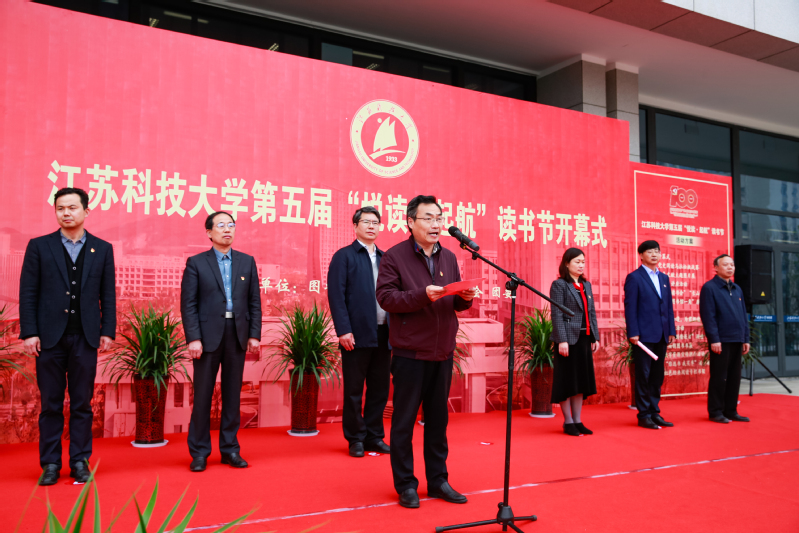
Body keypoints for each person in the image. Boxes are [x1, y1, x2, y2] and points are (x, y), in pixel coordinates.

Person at [376, 195, 476, 509]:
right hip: (410, 353)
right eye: (428, 218)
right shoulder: (394, 256)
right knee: (404, 422)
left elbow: (454, 301)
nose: (436, 224)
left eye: (439, 218)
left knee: (437, 422)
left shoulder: (449, 257)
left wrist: (465, 298)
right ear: (411, 222)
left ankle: (438, 481)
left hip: (442, 352)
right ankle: (406, 484)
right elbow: (386, 298)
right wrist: (422, 295)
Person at [19, 187, 116, 486]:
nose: (66, 213)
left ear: (86, 211)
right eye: (60, 208)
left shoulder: (102, 248)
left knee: (82, 404)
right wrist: (30, 332)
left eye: (72, 207)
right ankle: (50, 464)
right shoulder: (39, 246)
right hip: (48, 339)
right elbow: (28, 292)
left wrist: (107, 331)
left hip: (85, 337)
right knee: (50, 404)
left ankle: (79, 462)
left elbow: (107, 294)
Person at [180, 211, 262, 472]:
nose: (227, 229)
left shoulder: (247, 262)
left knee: (232, 395)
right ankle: (199, 452)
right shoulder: (196, 263)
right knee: (203, 396)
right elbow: (188, 304)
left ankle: (230, 449)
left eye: (231, 225)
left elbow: (254, 302)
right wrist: (194, 338)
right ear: (209, 232)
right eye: (221, 225)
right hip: (206, 337)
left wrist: (254, 334)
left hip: (237, 334)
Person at [327, 206, 391, 457]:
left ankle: (374, 436)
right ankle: (355, 438)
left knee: (379, 389)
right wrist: (343, 330)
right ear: (355, 226)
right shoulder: (344, 256)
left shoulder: (386, 258)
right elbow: (336, 296)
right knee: (354, 390)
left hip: (384, 333)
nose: (371, 226)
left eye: (376, 222)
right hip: (355, 334)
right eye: (366, 222)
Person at [624, 240, 676, 430]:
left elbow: (668, 307)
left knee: (657, 376)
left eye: (657, 251)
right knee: (643, 375)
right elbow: (630, 307)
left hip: (662, 334)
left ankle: (654, 412)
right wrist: (633, 332)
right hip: (643, 336)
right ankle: (644, 415)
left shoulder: (664, 278)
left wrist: (671, 330)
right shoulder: (634, 277)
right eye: (650, 251)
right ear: (641, 255)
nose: (654, 255)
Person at [549, 248, 600, 436]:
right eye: (577, 261)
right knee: (567, 381)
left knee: (580, 382)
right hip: (568, 341)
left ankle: (578, 420)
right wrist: (562, 340)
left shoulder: (586, 285)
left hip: (584, 339)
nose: (581, 265)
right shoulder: (559, 285)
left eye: (583, 262)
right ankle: (568, 421)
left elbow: (591, 313)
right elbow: (557, 314)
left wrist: (595, 336)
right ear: (567, 263)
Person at [699, 254, 751, 424]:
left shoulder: (737, 288)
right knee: (719, 377)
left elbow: (743, 315)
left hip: (737, 339)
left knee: (734, 377)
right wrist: (714, 339)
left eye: (732, 265)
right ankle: (716, 412)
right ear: (716, 268)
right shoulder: (710, 288)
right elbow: (708, 316)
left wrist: (746, 338)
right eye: (726, 265)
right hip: (721, 340)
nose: (730, 267)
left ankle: (731, 411)